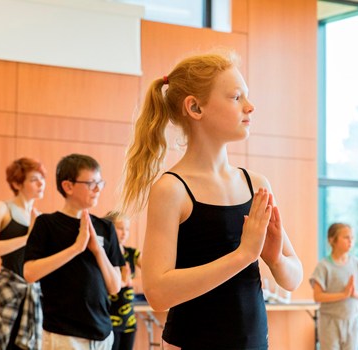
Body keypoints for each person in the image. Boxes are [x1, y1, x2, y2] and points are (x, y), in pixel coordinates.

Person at [119, 50, 303, 349]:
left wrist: (275, 259)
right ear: (195, 107)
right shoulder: (172, 190)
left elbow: (293, 278)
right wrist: (243, 255)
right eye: (236, 97)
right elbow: (158, 293)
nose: (250, 107)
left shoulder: (256, 184)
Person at [23, 154, 124, 350]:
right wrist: (76, 248)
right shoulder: (47, 224)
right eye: (90, 183)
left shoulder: (105, 227)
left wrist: (97, 250)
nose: (97, 189)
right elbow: (29, 273)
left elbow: (115, 287)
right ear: (68, 186)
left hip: (103, 334)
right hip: (63, 335)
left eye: (99, 183)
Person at [0, 157, 46, 350]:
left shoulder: (38, 216)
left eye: (42, 178)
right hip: (8, 291)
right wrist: (28, 236)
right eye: (34, 179)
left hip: (32, 292)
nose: (41, 183)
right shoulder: (1, 208)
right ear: (17, 183)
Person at [309, 223, 358, 350]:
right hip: (330, 323)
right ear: (332, 240)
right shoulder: (324, 266)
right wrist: (343, 295)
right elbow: (317, 296)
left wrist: (354, 293)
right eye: (346, 237)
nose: (350, 241)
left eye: (352, 238)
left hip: (352, 322)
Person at [104, 211, 141, 350]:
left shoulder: (132, 254)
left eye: (127, 229)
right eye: (120, 228)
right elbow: (107, 285)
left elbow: (152, 271)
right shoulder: (104, 254)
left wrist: (130, 282)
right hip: (109, 320)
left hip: (129, 321)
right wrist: (124, 282)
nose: (124, 232)